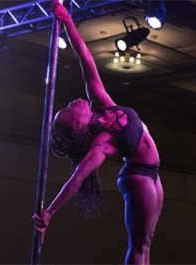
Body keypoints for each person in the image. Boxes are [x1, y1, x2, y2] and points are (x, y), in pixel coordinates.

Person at [33, 1, 163, 265]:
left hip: (153, 173)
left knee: (147, 244)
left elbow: (85, 57)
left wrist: (67, 20)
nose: (72, 102)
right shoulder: (101, 144)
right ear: (78, 126)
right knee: (139, 246)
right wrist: (49, 213)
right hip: (138, 178)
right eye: (69, 110)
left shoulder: (101, 101)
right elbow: (77, 178)